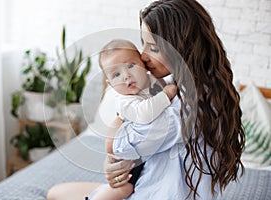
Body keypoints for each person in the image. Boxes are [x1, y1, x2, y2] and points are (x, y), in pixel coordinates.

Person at [47, 0, 245, 199]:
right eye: (144, 45)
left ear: (181, 48)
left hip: (154, 193)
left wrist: (115, 136)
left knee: (57, 195)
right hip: (148, 183)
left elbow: (122, 144)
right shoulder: (193, 85)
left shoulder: (186, 104)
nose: (143, 56)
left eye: (154, 48)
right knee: (55, 192)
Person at [90, 39, 177, 200]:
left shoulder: (154, 81)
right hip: (128, 157)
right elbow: (144, 114)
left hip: (144, 153)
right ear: (110, 84)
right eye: (116, 74)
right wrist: (166, 95)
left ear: (143, 65)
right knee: (123, 189)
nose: (126, 76)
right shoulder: (125, 100)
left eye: (131, 66)